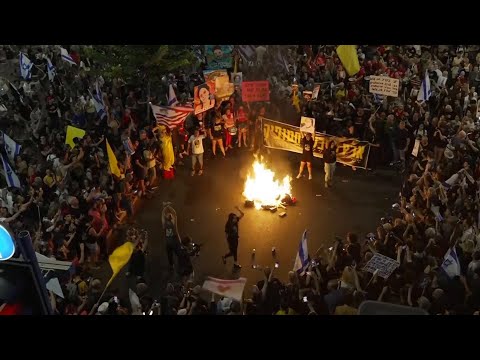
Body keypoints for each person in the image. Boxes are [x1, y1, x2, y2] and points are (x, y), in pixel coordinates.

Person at [162, 204, 180, 272]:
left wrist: (165, 207)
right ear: (171, 218)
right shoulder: (174, 224)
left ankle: (171, 265)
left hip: (168, 242)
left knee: (169, 255)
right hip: (174, 240)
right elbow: (175, 213)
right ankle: (180, 263)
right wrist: (169, 207)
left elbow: (162, 215)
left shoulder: (164, 224)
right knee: (178, 253)